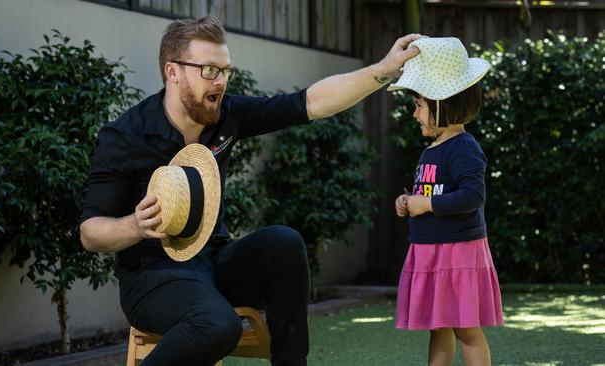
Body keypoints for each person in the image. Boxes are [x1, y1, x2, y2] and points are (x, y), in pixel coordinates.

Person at [80, 15, 420, 366]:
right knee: (218, 326)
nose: (222, 81)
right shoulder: (124, 136)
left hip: (213, 260)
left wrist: (383, 70)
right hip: (152, 277)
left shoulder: (227, 115)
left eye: (226, 70)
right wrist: (134, 226)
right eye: (210, 70)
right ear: (172, 71)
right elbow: (90, 233)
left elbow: (308, 103)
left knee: (283, 243)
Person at [390, 37, 504, 366]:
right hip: (431, 252)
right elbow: (433, 190)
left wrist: (426, 206)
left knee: (466, 330)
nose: (415, 114)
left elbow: (473, 196)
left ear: (442, 104)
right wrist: (408, 200)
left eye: (419, 106)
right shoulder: (432, 148)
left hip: (458, 253)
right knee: (437, 328)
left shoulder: (464, 146)